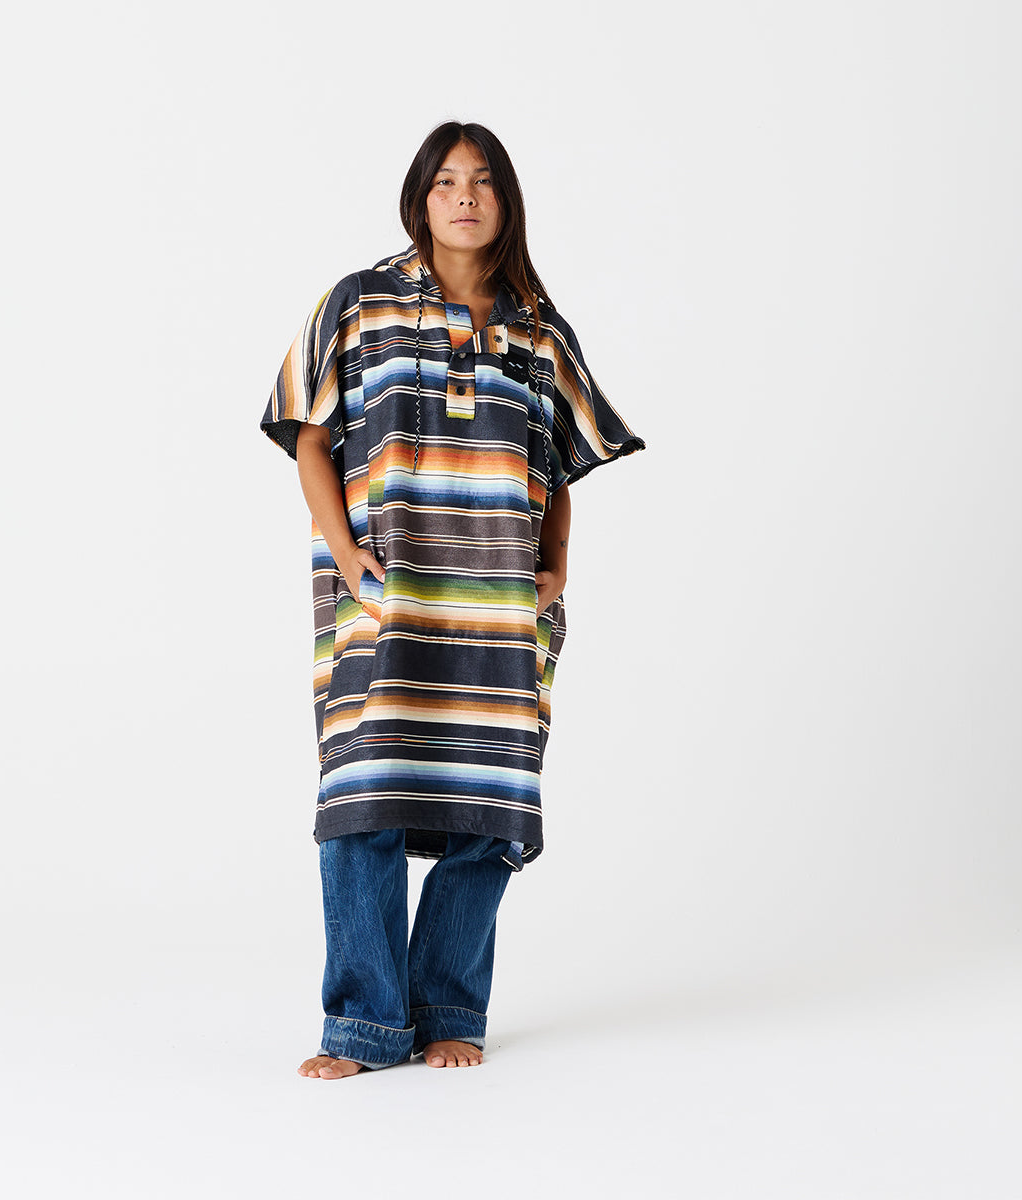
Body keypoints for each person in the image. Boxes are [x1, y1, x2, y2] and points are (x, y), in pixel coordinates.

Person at [261, 121, 645, 1079]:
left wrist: (557, 566)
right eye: (445, 181)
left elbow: (561, 464)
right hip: (385, 596)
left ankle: (447, 1010)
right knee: (363, 797)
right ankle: (362, 1024)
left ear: (506, 201)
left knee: (488, 808)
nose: (464, 196)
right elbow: (309, 436)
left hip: (499, 606)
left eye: (482, 181)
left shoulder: (539, 331)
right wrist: (347, 554)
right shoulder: (359, 303)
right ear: (419, 198)